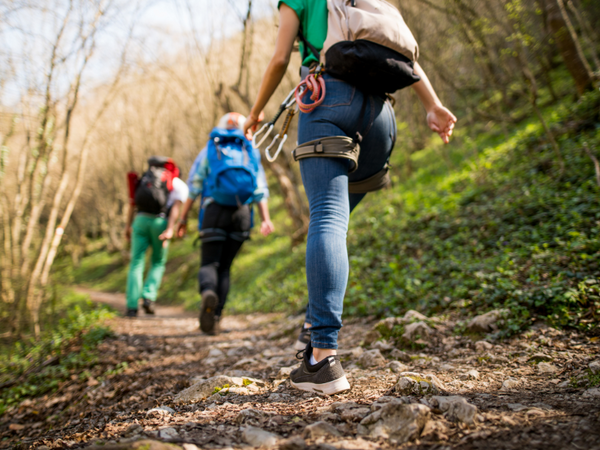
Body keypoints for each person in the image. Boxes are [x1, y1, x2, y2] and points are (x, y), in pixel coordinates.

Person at [244, 1, 457, 394]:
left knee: (327, 217)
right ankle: (312, 322)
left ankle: (322, 358)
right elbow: (404, 53)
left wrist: (256, 112)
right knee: (334, 220)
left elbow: (278, 59)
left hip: (326, 100)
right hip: (381, 119)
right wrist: (433, 104)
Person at [178, 112, 275, 335]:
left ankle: (207, 293)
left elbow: (194, 185)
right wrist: (266, 219)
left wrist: (183, 219)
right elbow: (260, 189)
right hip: (241, 213)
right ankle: (217, 318)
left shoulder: (211, 148)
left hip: (214, 211)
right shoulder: (250, 149)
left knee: (209, 263)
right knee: (225, 268)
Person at [125, 156, 189, 317]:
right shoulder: (175, 182)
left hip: (139, 220)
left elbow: (132, 203)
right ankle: (148, 297)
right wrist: (170, 229)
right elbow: (175, 207)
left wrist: (128, 225)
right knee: (158, 262)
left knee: (136, 262)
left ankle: (132, 306)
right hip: (160, 222)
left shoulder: (144, 179)